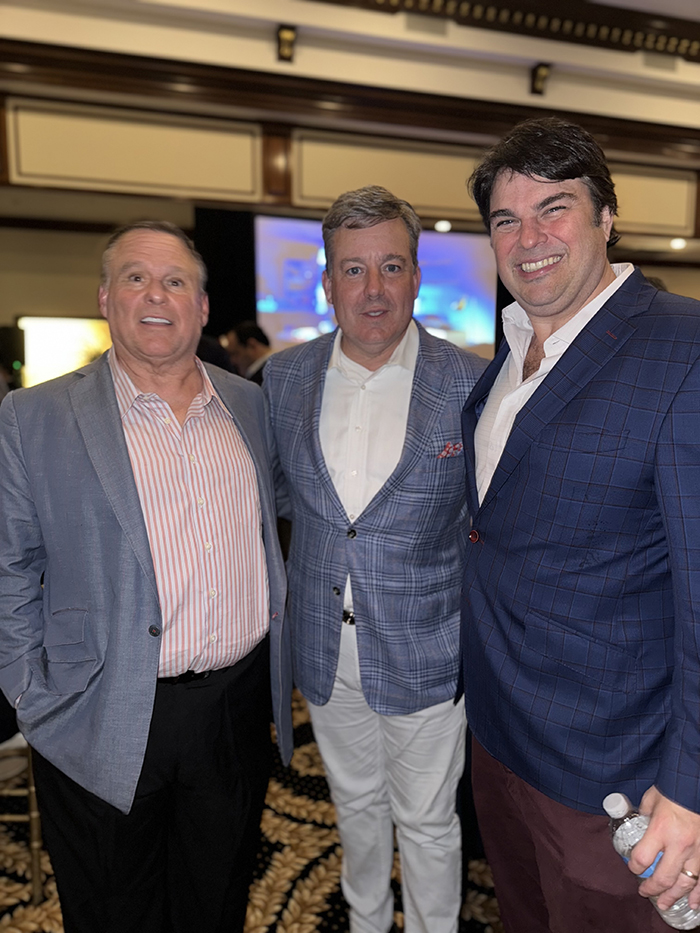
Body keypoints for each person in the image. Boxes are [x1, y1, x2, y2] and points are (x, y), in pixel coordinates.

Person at [0, 221, 293, 933]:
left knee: (216, 904)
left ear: (202, 306)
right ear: (106, 297)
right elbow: (10, 566)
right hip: (97, 710)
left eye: (175, 281)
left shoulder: (249, 404)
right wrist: (32, 696)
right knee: (112, 913)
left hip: (234, 709)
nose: (155, 295)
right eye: (135, 277)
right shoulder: (34, 416)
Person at [460, 116, 700, 933]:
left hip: (616, 774)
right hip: (500, 738)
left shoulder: (684, 349)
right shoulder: (507, 352)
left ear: (606, 216)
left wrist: (691, 788)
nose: (528, 239)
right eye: (506, 219)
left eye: (553, 208)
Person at [264, 185, 486, 933]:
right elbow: (283, 500)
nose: (373, 289)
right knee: (354, 806)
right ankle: (365, 921)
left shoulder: (469, 382)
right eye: (353, 270)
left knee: (426, 821)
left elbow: (486, 521)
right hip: (326, 648)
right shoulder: (284, 379)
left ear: (416, 276)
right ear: (328, 282)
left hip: (427, 647)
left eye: (391, 267)